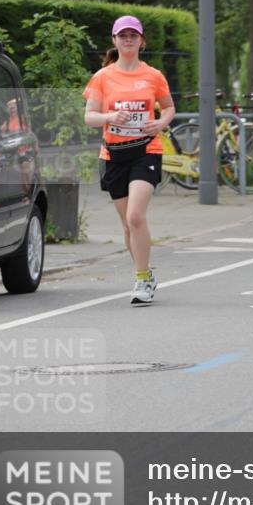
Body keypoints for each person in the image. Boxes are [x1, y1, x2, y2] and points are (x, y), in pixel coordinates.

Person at [84, 16, 175, 304]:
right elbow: (89, 117)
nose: (127, 40)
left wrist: (160, 123)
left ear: (141, 41)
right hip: (114, 155)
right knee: (127, 225)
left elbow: (170, 108)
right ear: (114, 40)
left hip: (146, 150)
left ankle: (141, 279)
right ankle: (145, 273)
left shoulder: (153, 75)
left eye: (133, 36)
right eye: (122, 35)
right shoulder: (103, 77)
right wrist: (110, 116)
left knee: (136, 216)